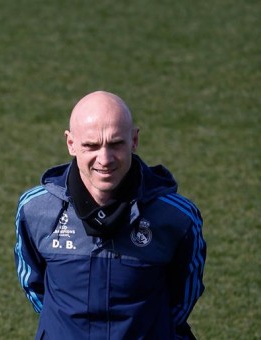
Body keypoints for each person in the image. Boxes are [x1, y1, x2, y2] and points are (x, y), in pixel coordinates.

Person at [14, 91, 206, 339]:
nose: (104, 159)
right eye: (91, 145)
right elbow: (34, 285)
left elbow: (184, 295)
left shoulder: (176, 217)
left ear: (134, 139)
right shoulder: (36, 209)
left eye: (115, 144)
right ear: (70, 143)